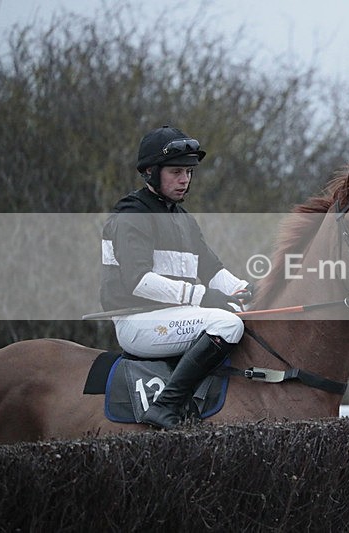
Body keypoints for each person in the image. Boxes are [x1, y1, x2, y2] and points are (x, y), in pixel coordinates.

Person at [101, 125, 253, 429]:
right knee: (227, 323)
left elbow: (213, 272)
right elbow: (138, 281)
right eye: (176, 172)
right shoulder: (132, 215)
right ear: (150, 173)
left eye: (189, 172)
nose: (185, 180)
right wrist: (201, 297)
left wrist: (249, 291)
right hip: (138, 321)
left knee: (246, 312)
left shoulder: (182, 218)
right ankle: (165, 407)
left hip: (175, 316)